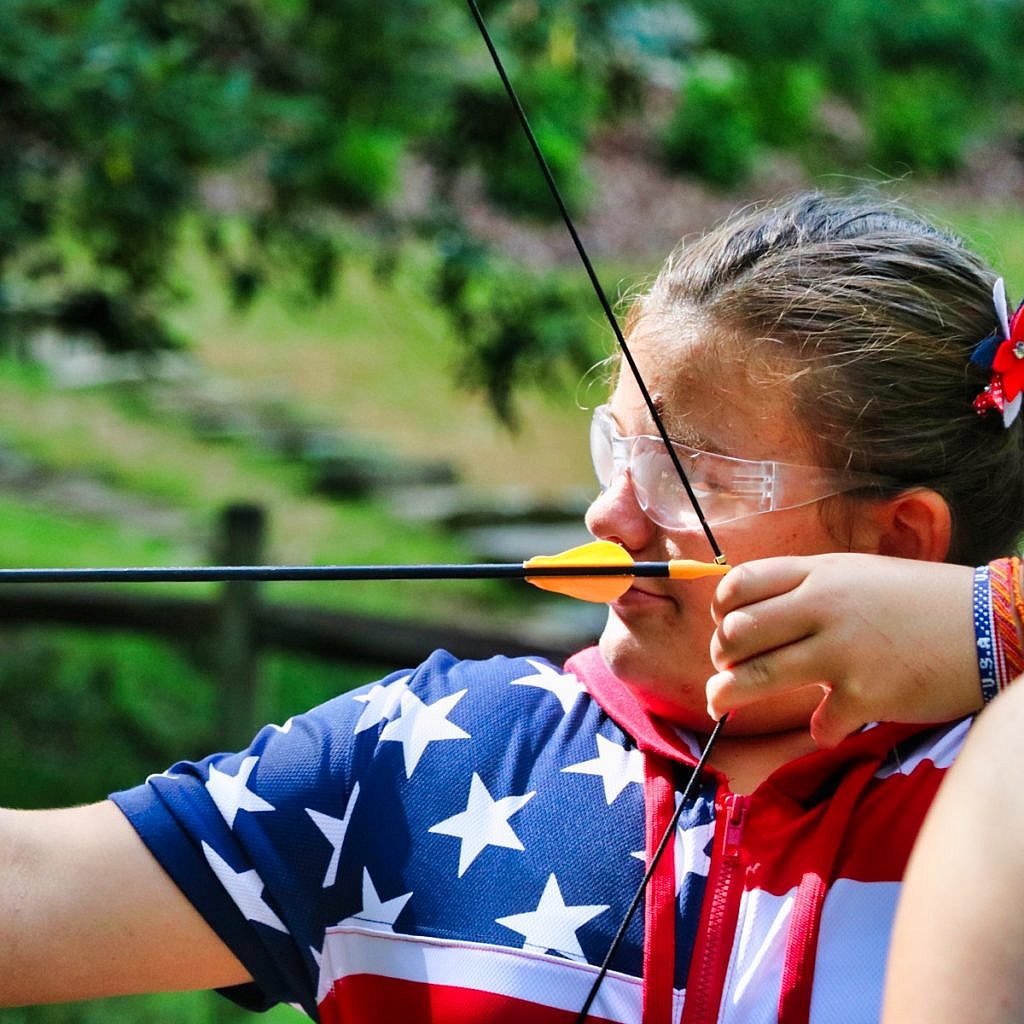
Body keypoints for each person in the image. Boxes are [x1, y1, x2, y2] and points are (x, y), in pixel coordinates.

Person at [2, 191, 1021, 1024]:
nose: (606, 515)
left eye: (685, 475)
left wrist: (998, 622)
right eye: (615, 452)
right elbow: (27, 888)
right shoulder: (435, 753)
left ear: (901, 542)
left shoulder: (991, 789)